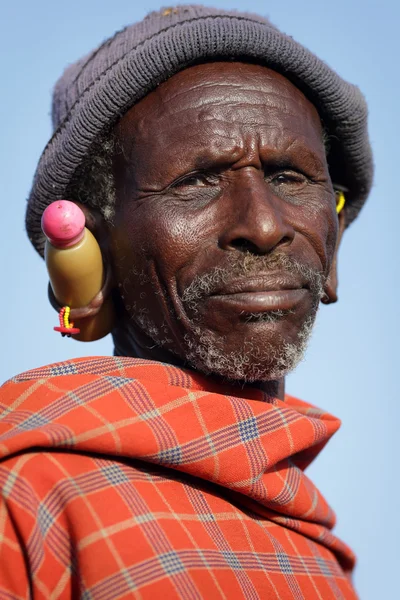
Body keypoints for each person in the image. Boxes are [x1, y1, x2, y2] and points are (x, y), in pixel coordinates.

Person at [0, 5, 373, 599]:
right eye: (197, 180)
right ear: (93, 258)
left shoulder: (315, 553)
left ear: (334, 245)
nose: (264, 224)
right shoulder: (27, 500)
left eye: (288, 177)